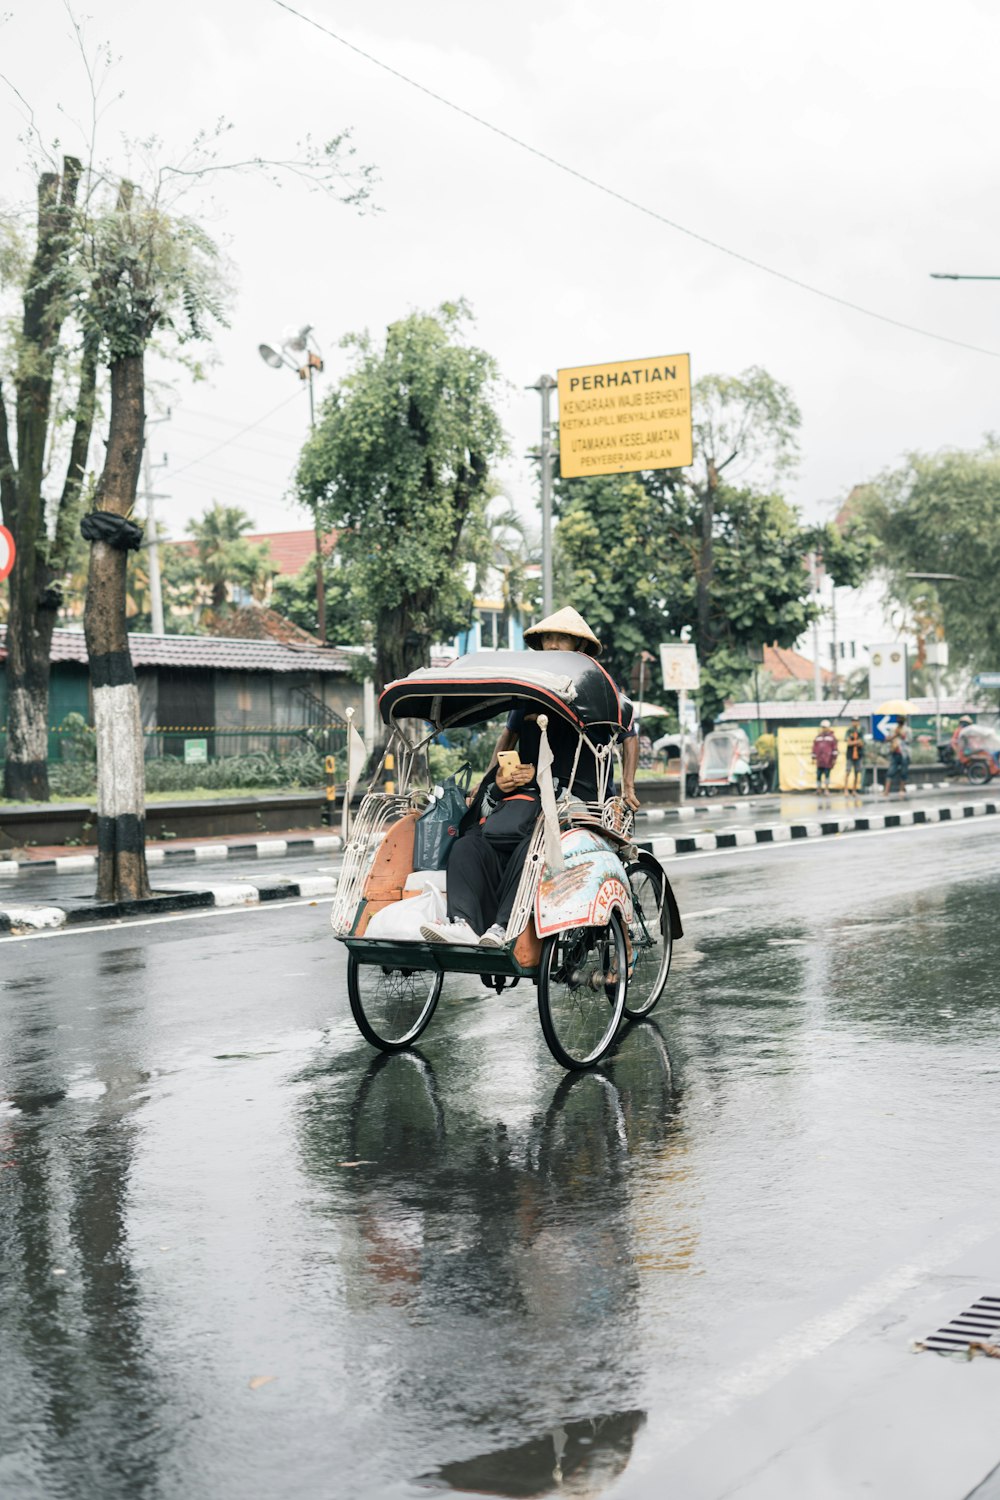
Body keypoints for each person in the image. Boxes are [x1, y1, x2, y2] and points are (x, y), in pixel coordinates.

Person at [421, 606, 636, 948]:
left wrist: (628, 786)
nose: (551, 644)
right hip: (528, 802)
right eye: (547, 638)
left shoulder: (594, 687)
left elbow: (629, 733)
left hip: (577, 805)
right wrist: (495, 778)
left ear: (578, 645)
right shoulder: (530, 694)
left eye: (560, 638)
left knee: (534, 847)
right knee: (468, 845)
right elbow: (508, 739)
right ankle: (462, 922)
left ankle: (503, 928)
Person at [884, 715, 910, 798]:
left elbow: (909, 740)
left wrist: (902, 735)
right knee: (890, 772)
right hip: (895, 753)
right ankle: (886, 791)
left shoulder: (907, 730)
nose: (900, 721)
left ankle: (901, 790)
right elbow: (887, 739)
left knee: (904, 772)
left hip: (904, 754)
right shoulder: (893, 729)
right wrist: (894, 735)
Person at [811, 719, 838, 793]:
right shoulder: (818, 737)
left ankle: (826, 789)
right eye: (822, 727)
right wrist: (813, 758)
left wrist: (834, 759)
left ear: (828, 727)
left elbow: (835, 749)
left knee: (827, 775)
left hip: (828, 760)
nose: (823, 729)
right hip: (820, 760)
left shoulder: (832, 737)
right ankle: (818, 789)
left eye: (825, 727)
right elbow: (814, 747)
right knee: (818, 775)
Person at [844, 717, 866, 795]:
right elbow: (848, 742)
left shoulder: (861, 731)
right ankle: (846, 789)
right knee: (848, 771)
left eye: (856, 721)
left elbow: (862, 742)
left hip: (858, 754)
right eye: (853, 721)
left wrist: (855, 742)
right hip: (850, 754)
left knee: (857, 772)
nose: (855, 722)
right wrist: (857, 742)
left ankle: (854, 790)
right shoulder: (849, 731)